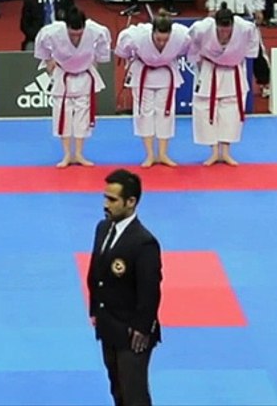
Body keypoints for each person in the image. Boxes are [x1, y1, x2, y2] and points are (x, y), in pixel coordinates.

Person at [87, 168, 163, 406]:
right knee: (117, 389)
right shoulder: (103, 228)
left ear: (131, 202)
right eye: (104, 197)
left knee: (134, 395)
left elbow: (150, 290)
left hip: (132, 333)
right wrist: (95, 311)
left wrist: (142, 328)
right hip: (108, 323)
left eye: (112, 199)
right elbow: (96, 272)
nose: (105, 204)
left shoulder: (144, 242)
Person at [34, 8, 112, 168]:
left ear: (84, 26)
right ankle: (67, 155)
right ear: (66, 27)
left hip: (84, 75)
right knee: (64, 115)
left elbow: (104, 46)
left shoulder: (96, 30)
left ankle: (79, 154)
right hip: (63, 75)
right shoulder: (52, 31)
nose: (76, 36)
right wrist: (48, 61)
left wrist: (96, 59)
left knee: (82, 117)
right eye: (72, 33)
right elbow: (41, 45)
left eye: (79, 33)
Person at [187, 4, 260, 166]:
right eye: (221, 29)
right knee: (205, 109)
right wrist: (198, 64)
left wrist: (242, 57)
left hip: (233, 70)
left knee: (231, 112)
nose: (224, 32)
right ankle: (213, 152)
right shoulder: (202, 28)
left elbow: (253, 47)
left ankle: (226, 152)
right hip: (209, 69)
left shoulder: (246, 28)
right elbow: (191, 45)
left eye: (227, 29)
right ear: (216, 24)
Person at [115, 14, 191, 168]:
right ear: (152, 32)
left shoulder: (181, 35)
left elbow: (189, 48)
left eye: (165, 39)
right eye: (158, 39)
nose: (162, 42)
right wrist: (129, 57)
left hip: (166, 73)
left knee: (166, 112)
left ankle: (163, 154)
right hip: (143, 72)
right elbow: (122, 48)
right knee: (145, 113)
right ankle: (150, 154)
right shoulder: (137, 35)